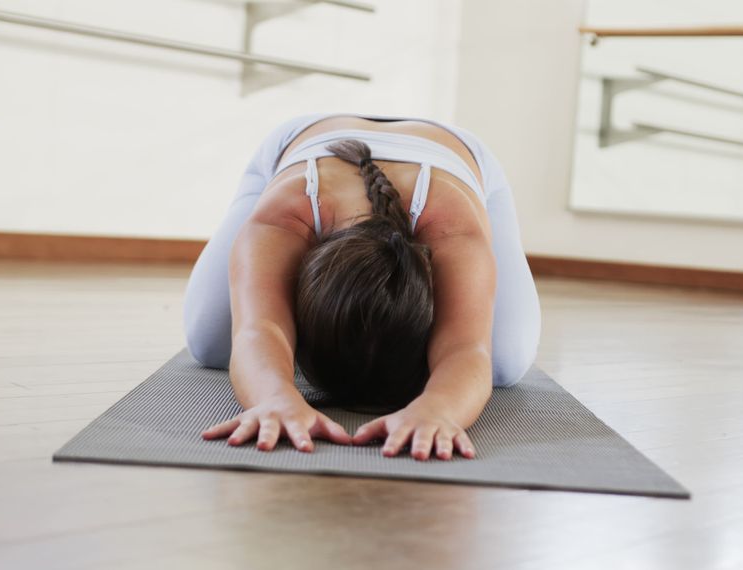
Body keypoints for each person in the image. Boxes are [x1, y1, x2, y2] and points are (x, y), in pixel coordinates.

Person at [185, 113, 540, 461]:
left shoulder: (451, 223)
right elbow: (258, 328)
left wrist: (440, 410)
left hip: (456, 160)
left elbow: (466, 347)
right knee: (213, 341)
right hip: (304, 145)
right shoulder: (290, 208)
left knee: (502, 362)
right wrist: (272, 397)